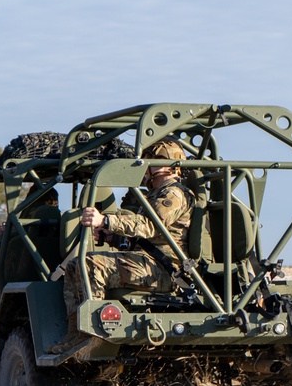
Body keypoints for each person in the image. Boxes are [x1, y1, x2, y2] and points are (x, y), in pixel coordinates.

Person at [48, 138, 194, 354]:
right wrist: (111, 238)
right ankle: (76, 333)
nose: (146, 167)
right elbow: (144, 239)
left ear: (165, 164)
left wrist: (105, 220)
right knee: (75, 265)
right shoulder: (155, 194)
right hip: (148, 262)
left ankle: (91, 334)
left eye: (150, 161)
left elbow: (150, 226)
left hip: (164, 270)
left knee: (91, 264)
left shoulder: (173, 193)